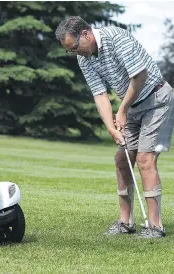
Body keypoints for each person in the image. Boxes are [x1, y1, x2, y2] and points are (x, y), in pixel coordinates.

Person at [55, 16, 174, 238]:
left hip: (156, 99)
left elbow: (139, 76)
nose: (75, 53)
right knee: (122, 160)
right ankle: (125, 222)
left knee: (145, 160)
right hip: (132, 106)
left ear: (86, 34)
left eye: (75, 47)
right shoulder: (85, 58)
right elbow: (100, 95)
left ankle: (155, 226)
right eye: (70, 51)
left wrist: (122, 110)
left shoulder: (117, 38)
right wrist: (111, 127)